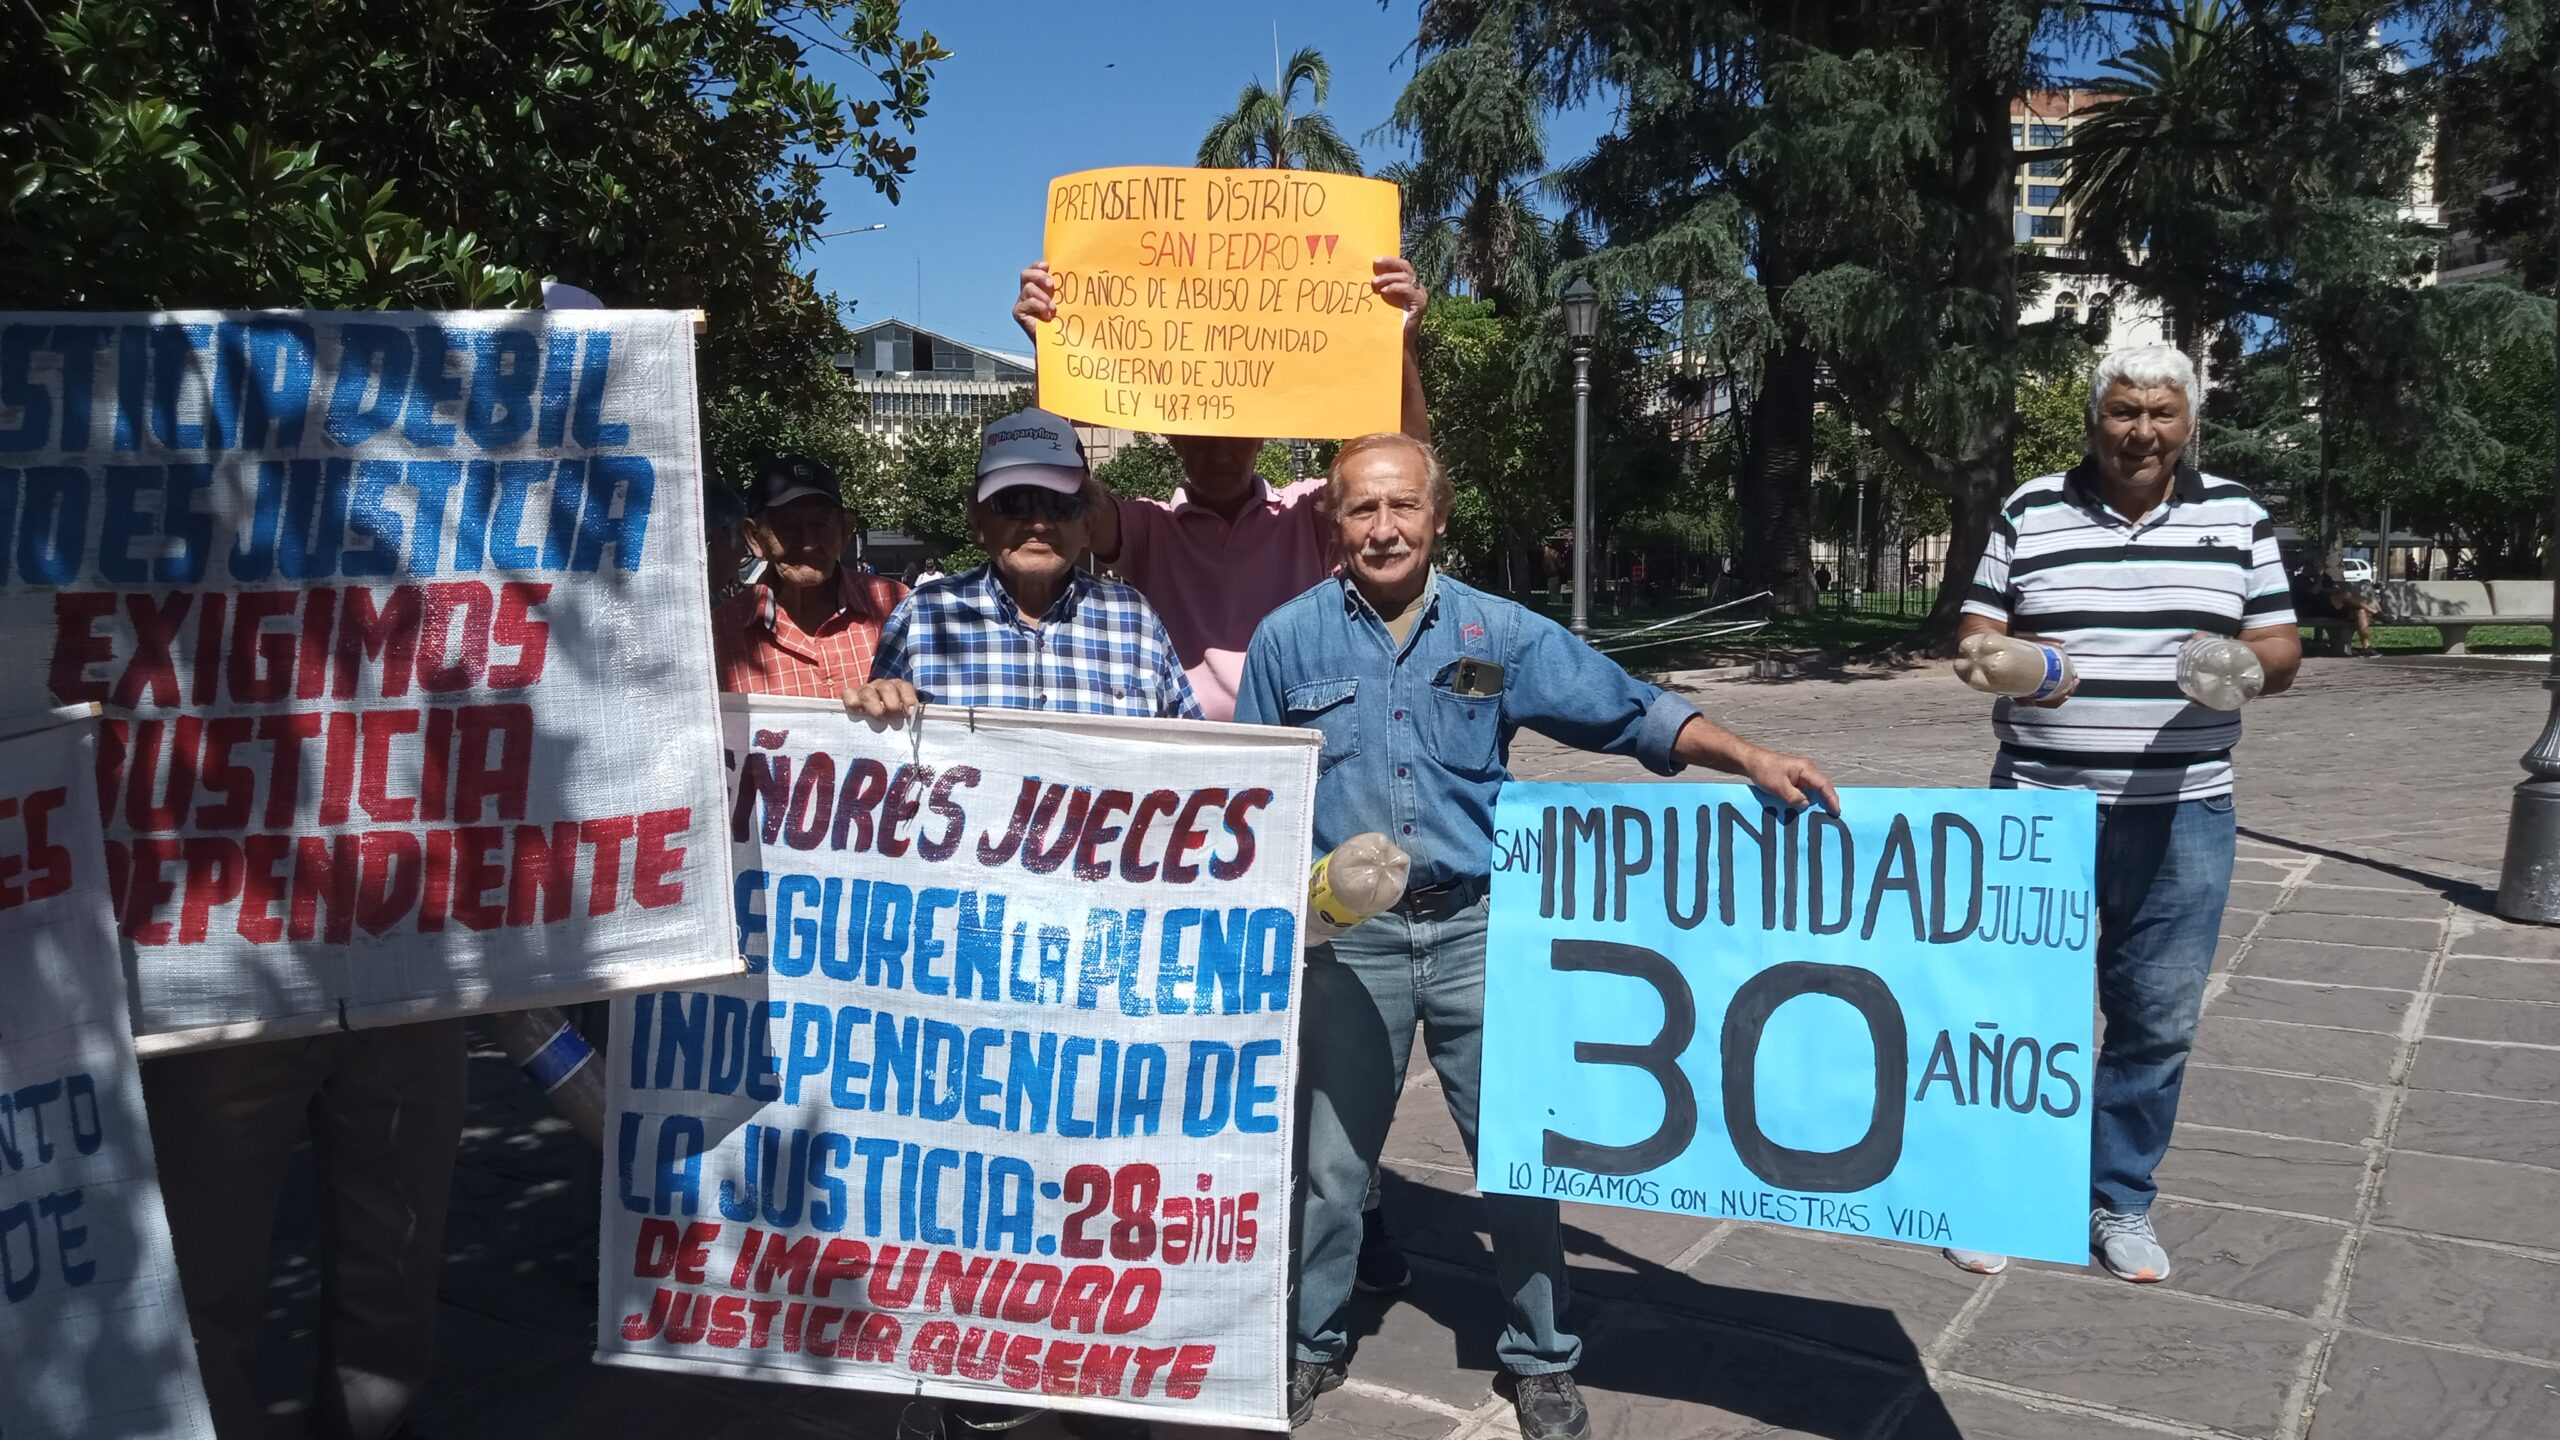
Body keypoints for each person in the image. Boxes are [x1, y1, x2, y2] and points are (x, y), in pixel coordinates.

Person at [1233, 433, 1838, 1439]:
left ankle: (1542, 1356)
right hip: (1349, 944)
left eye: (1402, 508)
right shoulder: (1286, 642)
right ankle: (1310, 1343)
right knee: (1332, 1167)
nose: (1382, 529)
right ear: (1328, 522)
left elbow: (1628, 712)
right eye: (1360, 510)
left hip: (1482, 928)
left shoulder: (1496, 633)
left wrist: (1747, 754)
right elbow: (1253, 795)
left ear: (1437, 518)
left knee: (1519, 1156)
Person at [1013, 248, 1433, 1288]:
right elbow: (1062, 502)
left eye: (1231, 425)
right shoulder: (1146, 529)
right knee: (1205, 1010)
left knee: (1325, 1012)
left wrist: (1401, 343)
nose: (1213, 445)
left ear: (1260, 424)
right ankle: (1216, 1198)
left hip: (1312, 797)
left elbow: (1404, 460)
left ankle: (1354, 1210)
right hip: (1189, 809)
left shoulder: (1308, 512)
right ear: (1170, 432)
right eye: (1194, 428)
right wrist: (1049, 360)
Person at [846, 407, 1192, 1440]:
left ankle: (1088, 1348)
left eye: (1057, 500)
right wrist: (878, 707)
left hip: (1102, 957)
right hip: (972, 958)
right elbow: (881, 768)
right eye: (1014, 504)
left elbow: (1187, 771)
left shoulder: (1133, 621)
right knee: (975, 1161)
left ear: (1090, 513)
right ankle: (973, 1366)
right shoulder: (927, 611)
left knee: (1091, 1154)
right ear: (979, 520)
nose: (1037, 518)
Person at [1948, 344, 2300, 1283]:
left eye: (2161, 412)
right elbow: (1981, 629)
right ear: (2093, 417)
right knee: (2017, 1011)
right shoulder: (2031, 508)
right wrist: (2021, 665)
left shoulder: (2238, 517)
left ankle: (2119, 1200)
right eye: (2122, 411)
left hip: (2185, 810)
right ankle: (2002, 1192)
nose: (2141, 431)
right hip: (2036, 806)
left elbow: (2280, 643)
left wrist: (2244, 671)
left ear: (2190, 422)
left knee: (2156, 1017)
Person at [143, 1025, 467, 1439]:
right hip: (219, 998)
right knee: (201, 1280)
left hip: (412, 997)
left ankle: (376, 1424)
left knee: (397, 1267)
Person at [711, 455, 906, 699]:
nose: (808, 543)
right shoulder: (718, 634)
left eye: (821, 524)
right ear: (754, 538)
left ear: (844, 531)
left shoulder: (899, 606)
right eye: (787, 525)